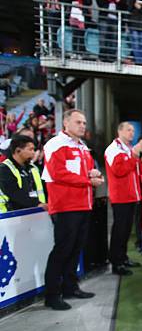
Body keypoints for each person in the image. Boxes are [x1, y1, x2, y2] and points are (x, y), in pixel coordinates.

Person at [42, 109, 103, 310]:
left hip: (83, 205)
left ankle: (70, 287)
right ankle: (52, 295)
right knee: (62, 250)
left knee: (75, 249)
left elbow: (81, 172)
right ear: (66, 123)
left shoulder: (82, 146)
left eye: (84, 122)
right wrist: (88, 179)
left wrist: (93, 173)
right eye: (78, 122)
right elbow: (57, 173)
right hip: (66, 206)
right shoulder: (56, 144)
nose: (83, 126)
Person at [104, 122, 142, 276]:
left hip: (131, 195)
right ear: (119, 131)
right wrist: (135, 155)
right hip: (120, 197)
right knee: (119, 231)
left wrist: (141, 159)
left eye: (133, 130)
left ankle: (123, 258)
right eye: (128, 130)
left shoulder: (128, 149)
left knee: (125, 231)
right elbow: (119, 170)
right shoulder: (113, 149)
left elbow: (135, 171)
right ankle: (116, 263)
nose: (132, 133)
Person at [0, 135, 46, 213]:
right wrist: (37, 203)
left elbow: (44, 187)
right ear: (18, 150)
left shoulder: (33, 168)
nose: (33, 152)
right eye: (30, 149)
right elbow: (14, 193)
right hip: (11, 215)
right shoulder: (4, 169)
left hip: (36, 212)